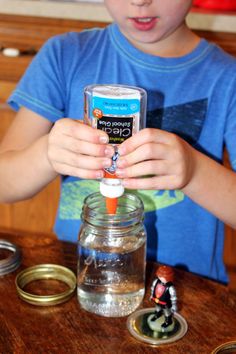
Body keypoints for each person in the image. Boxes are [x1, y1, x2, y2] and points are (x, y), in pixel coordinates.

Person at [0, 0, 236, 284]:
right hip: (82, 278)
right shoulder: (65, 55)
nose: (139, 1)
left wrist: (194, 171)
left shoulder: (228, 78)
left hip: (187, 294)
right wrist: (46, 154)